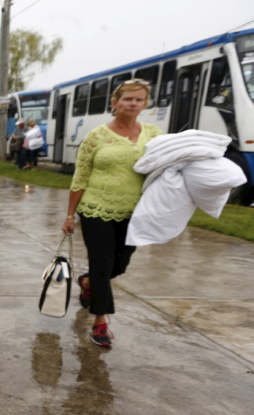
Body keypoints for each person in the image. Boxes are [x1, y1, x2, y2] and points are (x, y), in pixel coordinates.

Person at [61, 79, 163, 348]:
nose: (132, 104)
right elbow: (80, 176)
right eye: (127, 99)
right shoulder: (96, 136)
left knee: (120, 265)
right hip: (96, 210)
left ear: (145, 104)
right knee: (102, 265)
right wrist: (70, 215)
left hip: (135, 213)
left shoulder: (153, 134)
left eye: (139, 99)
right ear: (115, 103)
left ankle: (87, 282)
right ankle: (100, 322)